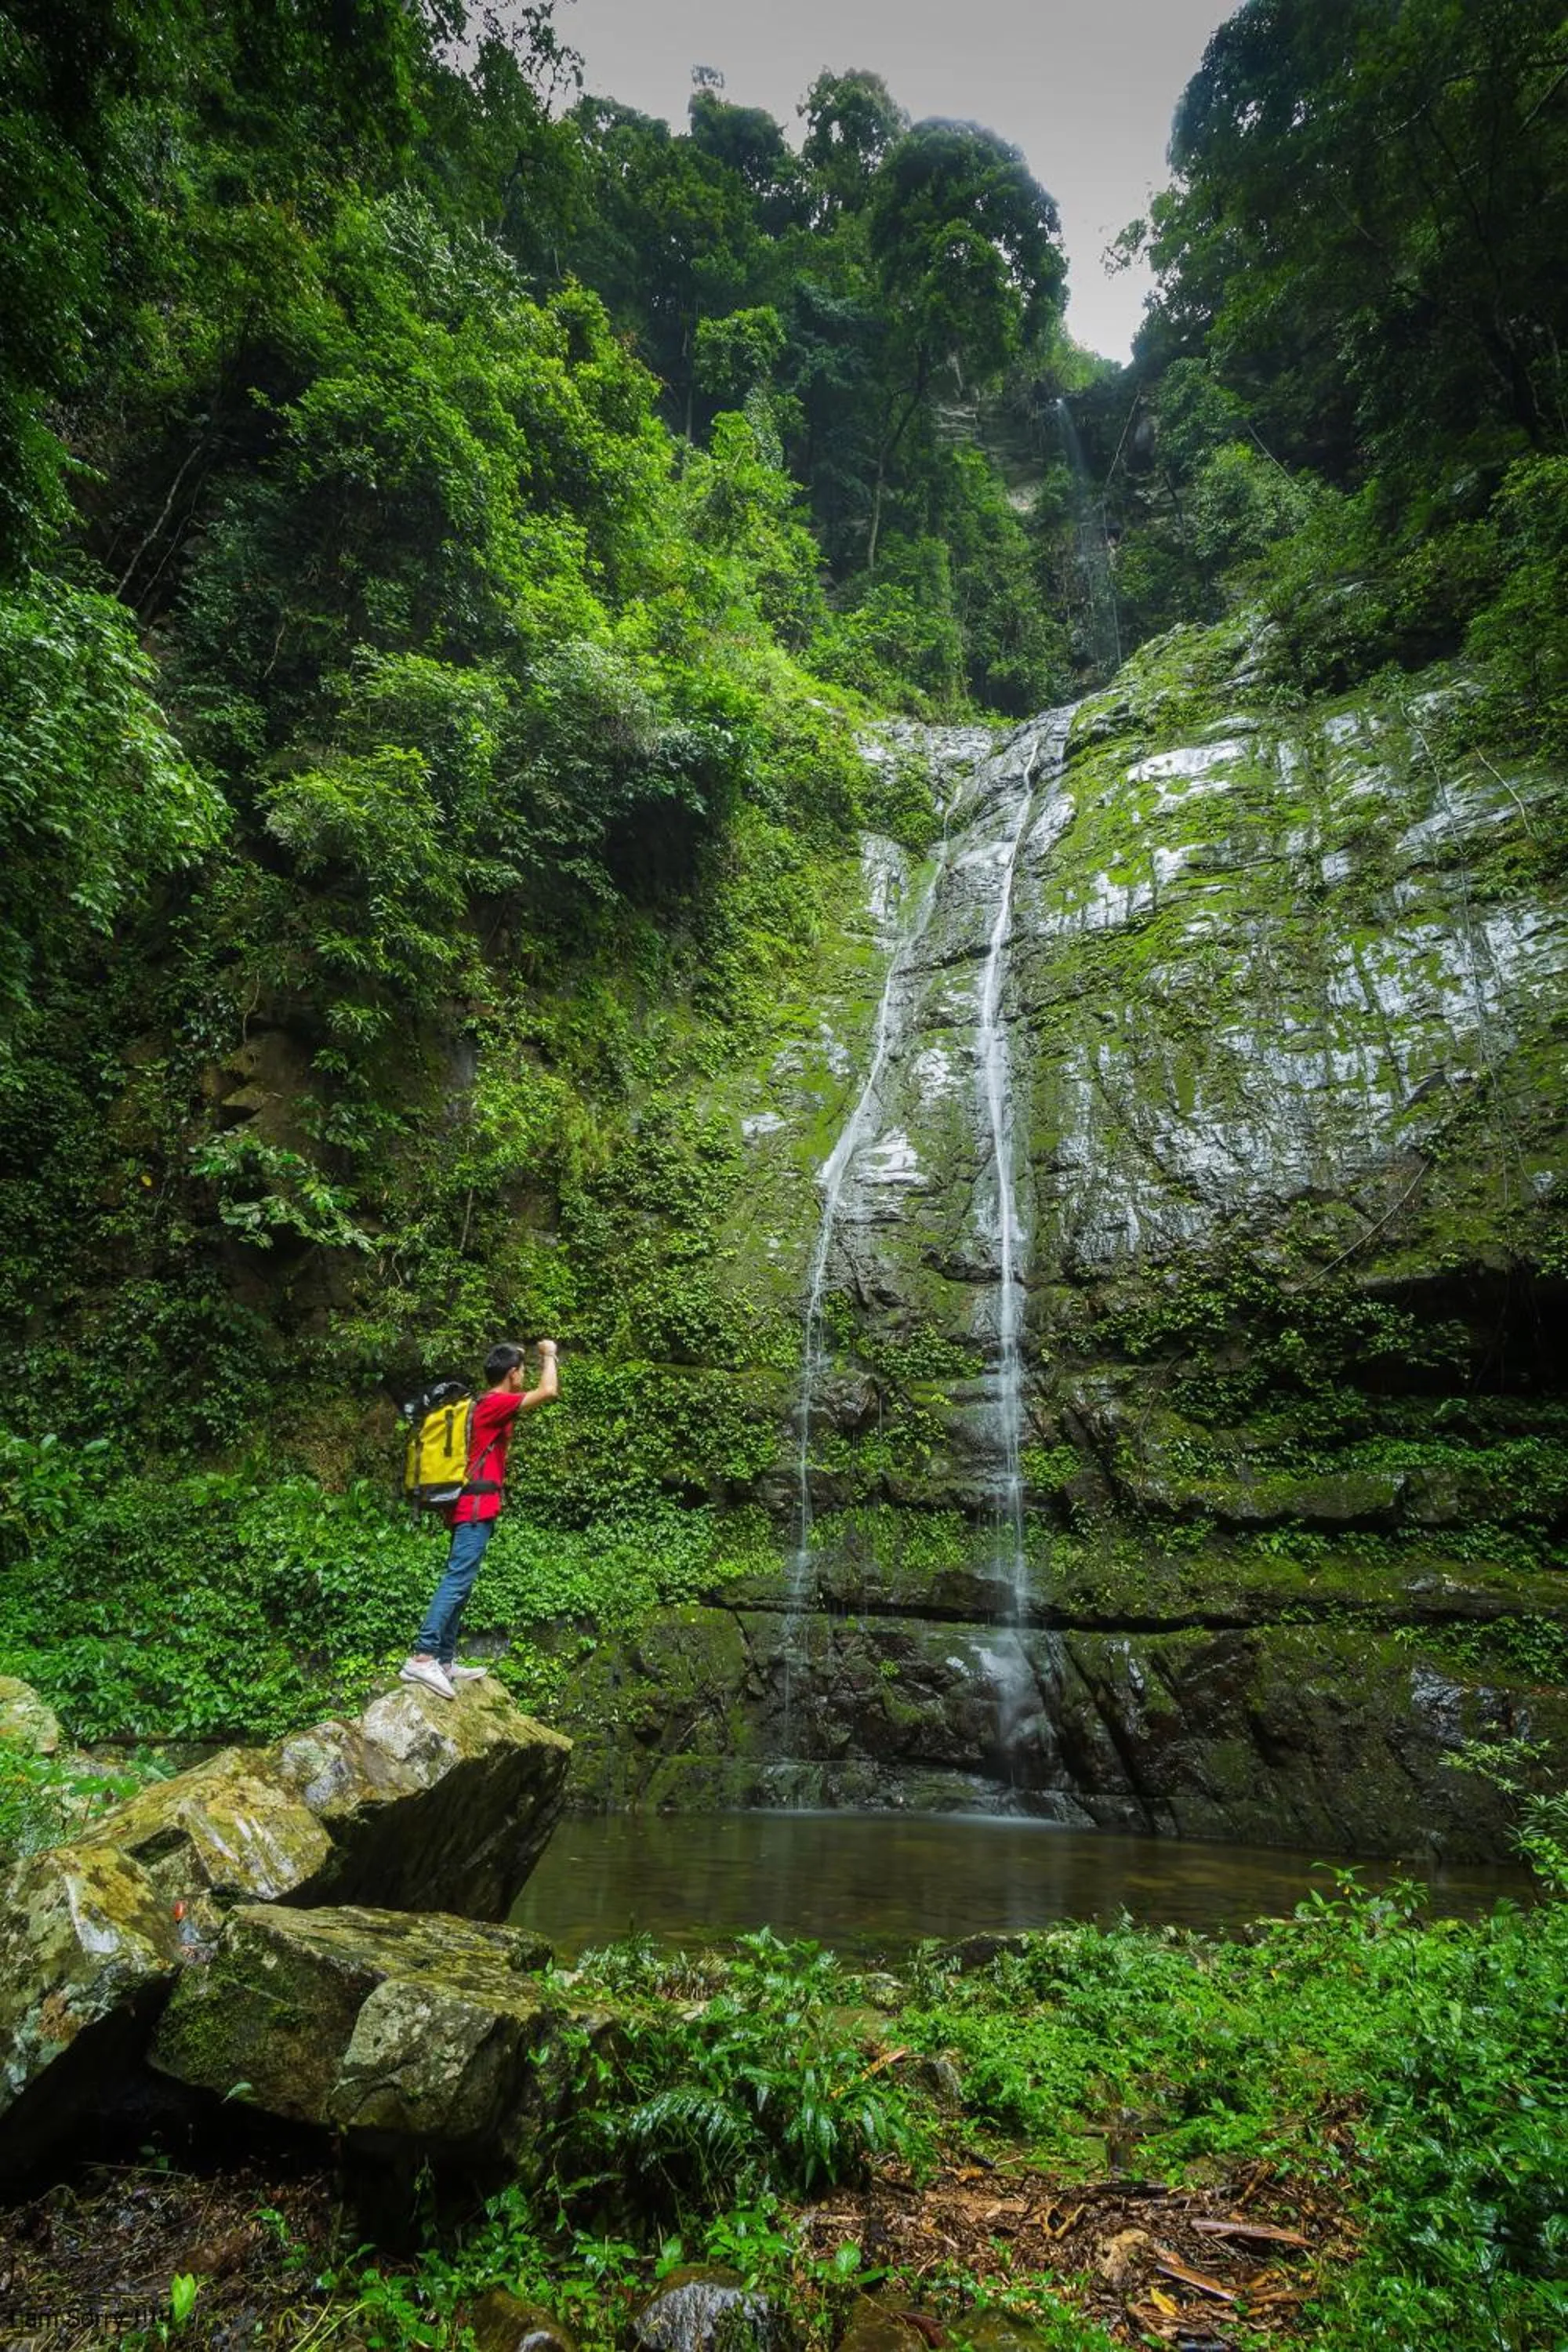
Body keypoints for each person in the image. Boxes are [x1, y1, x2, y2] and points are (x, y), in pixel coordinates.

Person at [400, 1338, 558, 1698]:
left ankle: (443, 1659)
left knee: (463, 1582)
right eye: (522, 1370)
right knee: (457, 1580)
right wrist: (549, 1354)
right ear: (513, 1374)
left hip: (471, 1506)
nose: (525, 1375)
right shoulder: (493, 1404)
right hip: (473, 1509)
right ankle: (423, 1656)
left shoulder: (483, 1405)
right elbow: (549, 1391)